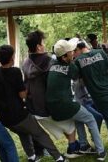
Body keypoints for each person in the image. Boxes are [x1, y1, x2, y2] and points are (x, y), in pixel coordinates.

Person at [0, 45, 66, 162]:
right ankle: (58, 157)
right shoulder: (15, 71)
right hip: (18, 114)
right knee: (40, 134)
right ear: (12, 57)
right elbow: (22, 95)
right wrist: (28, 87)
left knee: (23, 133)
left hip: (4, 118)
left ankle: (32, 156)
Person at [22, 30, 79, 159]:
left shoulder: (25, 64)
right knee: (71, 124)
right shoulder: (50, 61)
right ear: (38, 46)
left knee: (61, 126)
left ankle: (41, 151)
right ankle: (73, 148)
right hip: (49, 105)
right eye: (43, 43)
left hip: (33, 107)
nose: (44, 45)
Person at [46, 39, 106, 161]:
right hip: (65, 106)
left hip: (53, 107)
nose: (73, 52)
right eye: (70, 52)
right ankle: (101, 151)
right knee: (91, 119)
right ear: (63, 57)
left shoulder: (52, 65)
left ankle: (83, 145)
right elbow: (76, 75)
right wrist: (76, 60)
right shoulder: (70, 67)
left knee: (79, 117)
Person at [70, 39, 108, 142]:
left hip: (92, 95)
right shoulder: (75, 64)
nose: (74, 55)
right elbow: (78, 81)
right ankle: (95, 138)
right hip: (84, 99)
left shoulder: (79, 61)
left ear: (77, 50)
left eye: (74, 52)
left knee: (107, 113)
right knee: (100, 115)